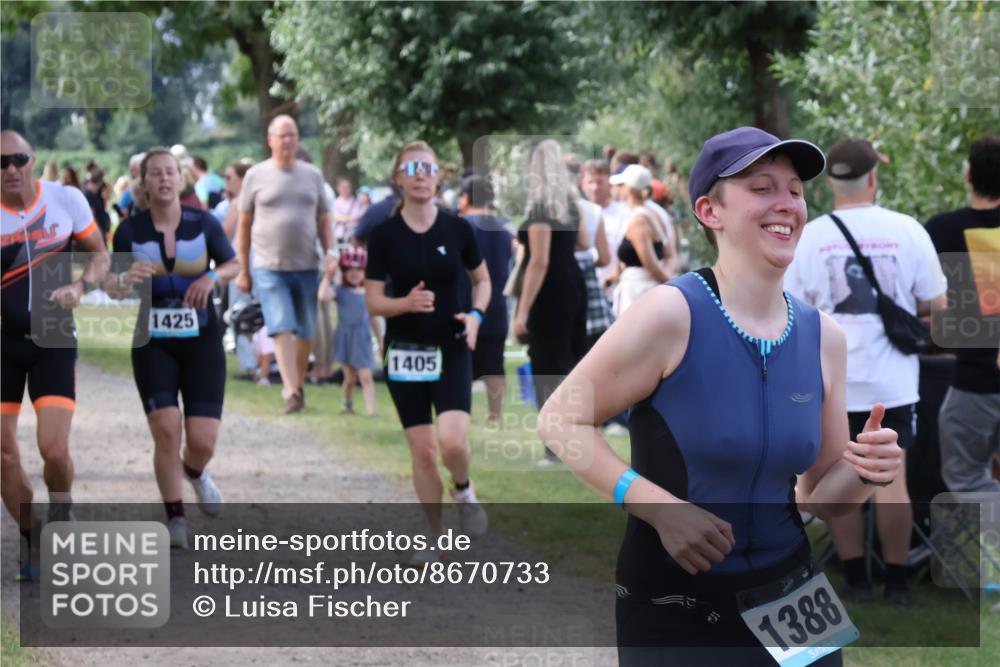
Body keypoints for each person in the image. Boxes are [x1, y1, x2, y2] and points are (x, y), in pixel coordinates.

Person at [538, 127, 904, 665]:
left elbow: (821, 497)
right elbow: (558, 422)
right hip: (675, 599)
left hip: (795, 592)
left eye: (796, 190)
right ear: (711, 211)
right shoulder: (671, 314)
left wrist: (869, 468)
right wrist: (659, 509)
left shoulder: (824, 337)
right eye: (762, 188)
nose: (787, 204)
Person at [785, 138, 947, 607]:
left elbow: (792, 310)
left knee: (837, 474)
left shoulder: (810, 236)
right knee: (890, 480)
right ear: (873, 177)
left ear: (831, 182)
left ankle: (855, 576)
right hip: (892, 381)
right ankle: (895, 582)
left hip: (829, 380)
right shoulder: (907, 230)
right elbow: (935, 305)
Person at [106, 148, 240, 549]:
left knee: (201, 442)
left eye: (170, 173)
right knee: (166, 430)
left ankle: (195, 473)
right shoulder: (129, 231)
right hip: (153, 344)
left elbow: (234, 265)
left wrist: (211, 278)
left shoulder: (204, 223)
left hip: (202, 343)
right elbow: (112, 289)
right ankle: (175, 517)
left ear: (180, 179)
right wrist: (127, 277)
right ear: (143, 182)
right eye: (155, 173)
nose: (164, 179)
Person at [365, 140, 491, 556]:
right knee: (422, 451)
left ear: (438, 177)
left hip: (451, 346)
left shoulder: (458, 228)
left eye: (428, 167)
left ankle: (463, 489)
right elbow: (372, 300)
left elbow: (483, 281)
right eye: (412, 167)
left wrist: (475, 316)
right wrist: (404, 304)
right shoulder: (382, 236)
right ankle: (435, 536)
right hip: (404, 354)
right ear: (398, 178)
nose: (421, 174)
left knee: (453, 443)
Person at [1, 130, 110, 580]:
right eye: (0, 162)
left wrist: (81, 285)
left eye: (18, 159)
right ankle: (32, 542)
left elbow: (100, 255)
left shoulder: (66, 200)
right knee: (4, 456)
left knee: (55, 450)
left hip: (53, 338)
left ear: (33, 159)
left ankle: (62, 505)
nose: (10, 169)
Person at [236, 115, 336, 413]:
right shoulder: (255, 176)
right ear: (270, 140)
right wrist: (243, 268)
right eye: (281, 136)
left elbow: (324, 220)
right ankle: (290, 391)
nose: (287, 141)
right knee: (281, 326)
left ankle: (298, 384)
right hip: (269, 266)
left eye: (292, 135)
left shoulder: (313, 175)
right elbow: (244, 224)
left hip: (306, 265)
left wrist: (331, 251)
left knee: (306, 331)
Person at [925, 135, 1000, 494]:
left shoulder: (940, 230)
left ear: (969, 176)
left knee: (966, 481)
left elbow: (923, 301)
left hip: (974, 380)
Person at [513, 140, 589, 465]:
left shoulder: (541, 208)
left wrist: (522, 310)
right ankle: (574, 439)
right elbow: (583, 242)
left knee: (548, 364)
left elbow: (538, 261)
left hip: (550, 290)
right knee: (570, 362)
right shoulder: (571, 205)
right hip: (573, 283)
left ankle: (555, 447)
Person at [459, 174, 515, 424]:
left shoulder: (460, 226)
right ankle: (494, 415)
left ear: (465, 197)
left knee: (461, 362)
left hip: (463, 302)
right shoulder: (503, 231)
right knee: (494, 362)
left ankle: (461, 411)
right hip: (496, 304)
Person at [609, 164, 671, 317]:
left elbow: (650, 264)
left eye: (621, 185)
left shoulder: (639, 220)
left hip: (639, 293)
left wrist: (675, 286)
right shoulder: (651, 214)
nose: (617, 188)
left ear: (629, 189)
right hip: (642, 291)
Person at [332, 246, 377, 416]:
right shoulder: (340, 291)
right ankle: (347, 405)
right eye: (349, 269)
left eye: (358, 270)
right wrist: (328, 276)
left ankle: (372, 412)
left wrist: (380, 341)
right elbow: (322, 296)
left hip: (363, 338)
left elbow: (374, 319)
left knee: (366, 375)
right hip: (345, 337)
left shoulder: (368, 293)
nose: (354, 273)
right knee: (349, 378)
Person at [81, 167, 111, 243]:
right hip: (97, 231)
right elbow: (92, 215)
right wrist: (98, 232)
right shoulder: (88, 194)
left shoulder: (97, 193)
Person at [333, 177, 363, 243]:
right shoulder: (335, 203)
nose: (345, 189)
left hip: (356, 233)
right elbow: (337, 218)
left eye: (347, 187)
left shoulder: (356, 201)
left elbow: (359, 215)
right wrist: (351, 218)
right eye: (343, 187)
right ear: (338, 188)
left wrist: (345, 218)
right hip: (341, 234)